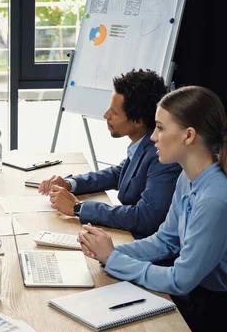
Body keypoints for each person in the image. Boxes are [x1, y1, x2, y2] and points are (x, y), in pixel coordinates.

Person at [77, 86, 227, 332]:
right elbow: (165, 241)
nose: (153, 137)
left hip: (213, 311)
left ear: (188, 135)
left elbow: (180, 281)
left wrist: (114, 258)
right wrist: (110, 252)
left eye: (160, 127)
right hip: (197, 298)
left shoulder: (215, 198)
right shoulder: (187, 178)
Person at [39, 69, 182, 239]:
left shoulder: (162, 155)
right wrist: (70, 184)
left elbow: (145, 217)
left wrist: (78, 208)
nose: (106, 115)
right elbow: (117, 174)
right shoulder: (144, 145)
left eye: (114, 112)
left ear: (137, 121)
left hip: (144, 245)